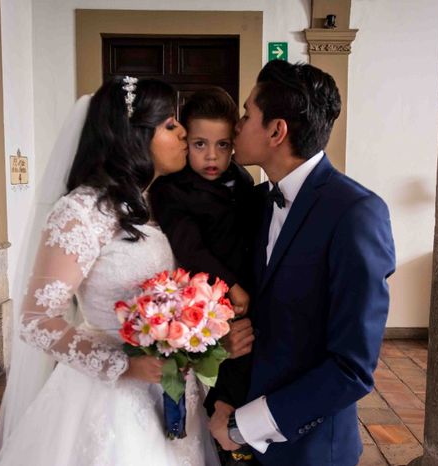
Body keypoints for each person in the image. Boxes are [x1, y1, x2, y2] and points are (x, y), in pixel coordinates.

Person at [0, 76, 220, 466]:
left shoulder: (143, 204)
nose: (184, 132)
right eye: (170, 124)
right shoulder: (82, 211)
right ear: (134, 136)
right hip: (108, 397)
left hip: (163, 385)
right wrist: (124, 366)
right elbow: (35, 319)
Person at [209, 60, 396, 466]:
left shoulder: (356, 213)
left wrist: (244, 427)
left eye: (247, 115)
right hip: (237, 431)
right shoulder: (257, 203)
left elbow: (352, 367)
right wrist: (225, 398)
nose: (236, 126)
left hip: (310, 451)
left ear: (276, 131)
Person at [148, 88, 257, 466]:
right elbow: (191, 249)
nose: (212, 156)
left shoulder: (242, 178)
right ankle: (224, 442)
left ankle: (236, 440)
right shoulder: (170, 190)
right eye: (199, 144)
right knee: (223, 383)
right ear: (185, 141)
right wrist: (232, 286)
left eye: (222, 145)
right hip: (210, 298)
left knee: (245, 379)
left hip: (250, 292)